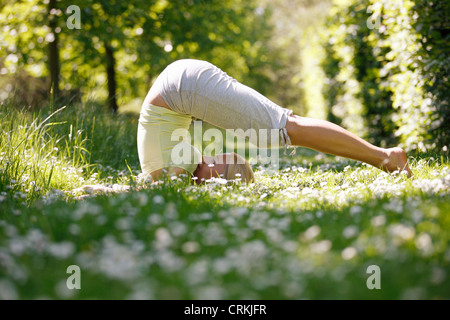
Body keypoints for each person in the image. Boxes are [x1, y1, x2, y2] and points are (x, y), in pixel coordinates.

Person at [137, 59, 412, 184]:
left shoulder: (174, 178)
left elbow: (141, 189)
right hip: (180, 86)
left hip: (182, 87)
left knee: (283, 127)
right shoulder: (182, 171)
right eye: (228, 160)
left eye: (226, 160)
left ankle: (385, 157)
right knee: (281, 128)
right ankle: (385, 157)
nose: (220, 156)